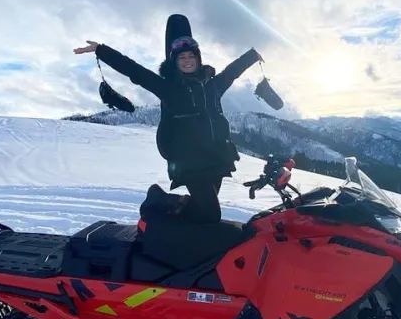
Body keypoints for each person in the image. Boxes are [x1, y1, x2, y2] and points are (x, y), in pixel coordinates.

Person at [74, 33, 262, 224]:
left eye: (191, 56)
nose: (187, 61)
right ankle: (161, 203)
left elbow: (232, 71)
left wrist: (252, 56)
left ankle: (188, 243)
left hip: (215, 157)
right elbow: (135, 70)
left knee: (202, 211)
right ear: (175, 62)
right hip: (189, 161)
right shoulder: (168, 88)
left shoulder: (212, 86)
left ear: (198, 59)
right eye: (182, 57)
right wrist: (101, 50)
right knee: (212, 213)